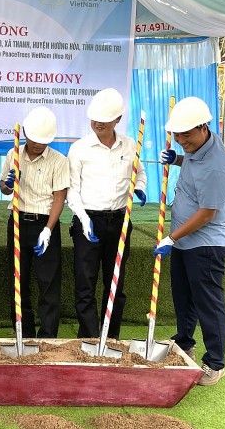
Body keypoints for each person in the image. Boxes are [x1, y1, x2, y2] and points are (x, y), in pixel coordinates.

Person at [154, 96, 225, 386]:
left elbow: (207, 214)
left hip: (206, 244)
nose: (181, 140)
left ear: (203, 128)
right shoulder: (198, 149)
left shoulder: (216, 164)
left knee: (208, 302)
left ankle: (215, 363)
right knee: (183, 296)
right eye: (177, 134)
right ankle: (184, 341)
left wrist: (171, 237)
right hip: (186, 242)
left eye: (186, 135)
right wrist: (177, 159)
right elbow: (192, 162)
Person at [66, 88, 147, 341]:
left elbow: (140, 174)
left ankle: (110, 338)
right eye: (94, 119)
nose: (98, 124)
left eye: (104, 119)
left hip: (120, 221)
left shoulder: (130, 145)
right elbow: (72, 191)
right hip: (87, 221)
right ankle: (88, 339)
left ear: (118, 120)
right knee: (85, 284)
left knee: (115, 284)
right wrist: (84, 218)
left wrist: (141, 188)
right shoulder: (79, 149)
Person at [0, 106, 69, 338]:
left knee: (48, 283)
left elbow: (59, 198)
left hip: (45, 224)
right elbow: (4, 189)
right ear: (26, 133)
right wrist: (9, 183)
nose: (38, 144)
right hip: (18, 222)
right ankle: (23, 333)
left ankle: (48, 337)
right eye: (34, 139)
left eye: (43, 141)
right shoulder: (13, 155)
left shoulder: (59, 160)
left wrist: (48, 229)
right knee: (18, 282)